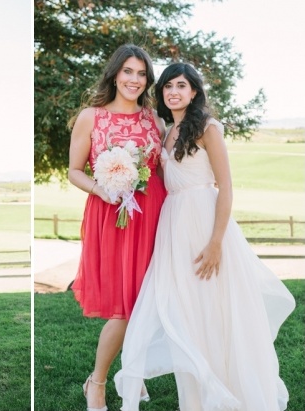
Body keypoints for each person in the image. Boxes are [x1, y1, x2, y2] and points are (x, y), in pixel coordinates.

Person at [114, 62, 296, 411]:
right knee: (184, 312)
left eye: (181, 85)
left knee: (214, 311)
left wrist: (215, 242)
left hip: (204, 222)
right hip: (173, 226)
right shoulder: (165, 130)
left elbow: (225, 186)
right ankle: (194, 402)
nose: (174, 92)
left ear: (194, 91)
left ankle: (231, 392)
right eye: (168, 86)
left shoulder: (208, 127)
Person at [68, 44, 167, 411]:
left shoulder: (153, 118)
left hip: (152, 214)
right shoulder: (91, 117)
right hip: (111, 215)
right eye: (128, 71)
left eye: (141, 74)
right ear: (114, 74)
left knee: (148, 301)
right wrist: (103, 189)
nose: (134, 80)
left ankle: (134, 372)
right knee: (124, 308)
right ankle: (96, 382)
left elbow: (162, 169)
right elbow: (74, 170)